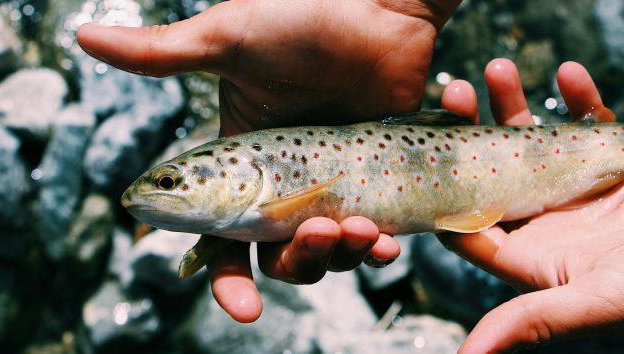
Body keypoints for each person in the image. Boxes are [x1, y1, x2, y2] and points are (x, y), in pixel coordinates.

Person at [77, 1, 624, 352]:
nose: (149, 196)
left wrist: (395, 10)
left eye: (171, 183)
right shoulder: (237, 212)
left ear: (241, 175)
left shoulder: (253, 203)